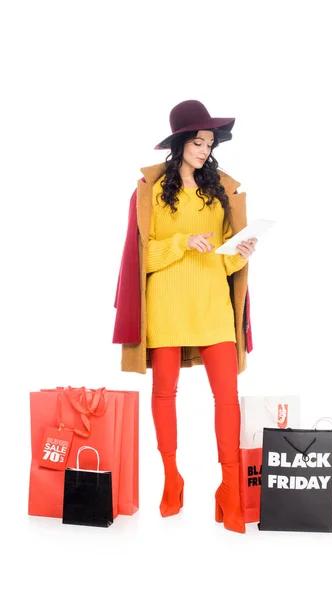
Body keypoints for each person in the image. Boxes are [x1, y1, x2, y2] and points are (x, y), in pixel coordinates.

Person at [113, 100, 257, 534]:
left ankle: (230, 487)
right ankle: (171, 478)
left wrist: (241, 254)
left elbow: (224, 259)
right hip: (168, 304)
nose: (204, 150)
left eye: (209, 143)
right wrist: (180, 242)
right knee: (165, 394)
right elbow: (143, 257)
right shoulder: (151, 193)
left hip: (212, 303)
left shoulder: (220, 191)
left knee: (227, 397)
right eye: (198, 142)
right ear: (179, 143)